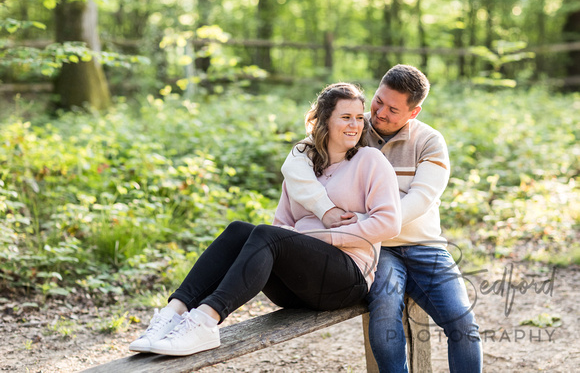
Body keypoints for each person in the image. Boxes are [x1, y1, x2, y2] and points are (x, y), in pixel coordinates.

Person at [128, 83, 402, 357]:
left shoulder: (370, 160)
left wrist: (324, 237)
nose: (355, 124)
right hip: (295, 287)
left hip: (345, 280)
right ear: (323, 121)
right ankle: (173, 314)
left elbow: (389, 223)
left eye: (358, 117)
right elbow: (280, 223)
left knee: (267, 235)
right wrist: (298, 238)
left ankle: (205, 320)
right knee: (239, 231)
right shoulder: (304, 169)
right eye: (346, 117)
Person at [281, 65, 483, 372]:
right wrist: (327, 209)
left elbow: (421, 199)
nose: (380, 113)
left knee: (463, 323)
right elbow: (296, 161)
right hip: (376, 249)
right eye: (378, 101)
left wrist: (367, 218)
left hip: (424, 246)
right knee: (386, 315)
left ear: (413, 113)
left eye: (393, 109)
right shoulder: (355, 131)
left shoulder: (429, 142)